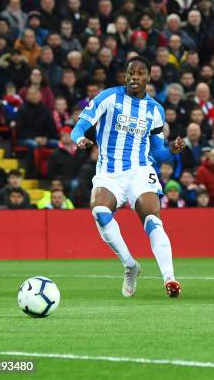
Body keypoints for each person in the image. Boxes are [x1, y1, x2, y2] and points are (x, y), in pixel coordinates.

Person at [71, 56, 185, 298]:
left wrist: (171, 150)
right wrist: (79, 139)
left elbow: (157, 152)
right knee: (99, 212)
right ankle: (130, 265)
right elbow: (78, 127)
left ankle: (170, 279)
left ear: (148, 77)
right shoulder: (108, 97)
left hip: (140, 171)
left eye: (140, 73)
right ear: (125, 76)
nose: (135, 76)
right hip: (109, 172)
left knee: (152, 218)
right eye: (131, 72)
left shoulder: (155, 110)